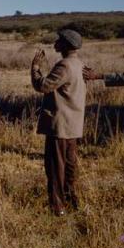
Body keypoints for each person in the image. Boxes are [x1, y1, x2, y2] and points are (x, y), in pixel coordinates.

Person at [31, 29, 86, 217]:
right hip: (73, 125)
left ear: (66, 45)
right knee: (70, 167)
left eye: (59, 41)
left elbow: (43, 86)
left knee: (55, 168)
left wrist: (35, 69)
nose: (56, 43)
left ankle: (58, 208)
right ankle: (72, 201)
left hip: (60, 126)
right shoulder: (78, 64)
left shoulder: (64, 65)